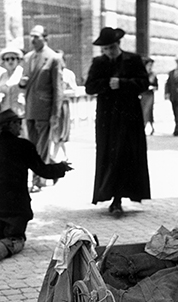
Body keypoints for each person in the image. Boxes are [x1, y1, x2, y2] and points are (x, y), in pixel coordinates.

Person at [0, 109, 72, 266]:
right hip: (15, 209)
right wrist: (62, 167)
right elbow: (42, 171)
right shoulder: (24, 146)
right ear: (11, 125)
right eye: (19, 123)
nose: (21, 127)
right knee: (16, 239)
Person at [85, 27, 151, 215]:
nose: (109, 52)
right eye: (105, 49)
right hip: (107, 116)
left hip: (129, 115)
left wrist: (123, 83)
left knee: (127, 153)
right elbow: (90, 87)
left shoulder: (133, 59)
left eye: (111, 48)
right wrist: (107, 84)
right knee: (109, 153)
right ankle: (112, 196)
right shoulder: (98, 63)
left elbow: (144, 83)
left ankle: (122, 196)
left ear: (118, 45)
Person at [19, 25, 63, 192]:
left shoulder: (53, 58)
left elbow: (57, 88)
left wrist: (55, 113)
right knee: (32, 146)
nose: (33, 40)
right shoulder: (28, 57)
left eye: (36, 36)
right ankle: (54, 169)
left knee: (41, 146)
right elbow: (25, 81)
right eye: (31, 36)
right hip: (30, 107)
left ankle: (38, 181)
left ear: (45, 38)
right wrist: (22, 83)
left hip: (45, 110)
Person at [50, 50, 78, 162]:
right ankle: (64, 155)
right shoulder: (49, 73)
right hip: (52, 106)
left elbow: (75, 91)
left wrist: (61, 93)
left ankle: (54, 156)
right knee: (54, 132)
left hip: (63, 106)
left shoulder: (68, 74)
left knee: (60, 131)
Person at [0, 47, 25, 121]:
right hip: (5, 112)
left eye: (13, 58)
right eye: (7, 59)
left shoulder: (22, 73)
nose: (10, 61)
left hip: (20, 112)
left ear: (18, 60)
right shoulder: (1, 75)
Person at [140, 57, 158, 135]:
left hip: (150, 95)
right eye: (149, 65)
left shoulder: (153, 74)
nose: (150, 67)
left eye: (151, 65)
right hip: (142, 94)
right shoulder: (141, 74)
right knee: (143, 110)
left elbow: (156, 86)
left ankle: (146, 126)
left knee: (148, 110)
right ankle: (149, 126)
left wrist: (153, 87)